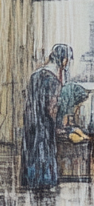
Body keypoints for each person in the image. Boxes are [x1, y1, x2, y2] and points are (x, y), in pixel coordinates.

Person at [21, 44, 71, 190]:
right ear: (62, 59)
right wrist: (59, 124)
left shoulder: (35, 75)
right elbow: (52, 108)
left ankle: (30, 179)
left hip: (31, 120)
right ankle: (44, 181)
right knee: (44, 151)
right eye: (66, 58)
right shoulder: (54, 80)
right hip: (44, 124)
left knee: (31, 150)